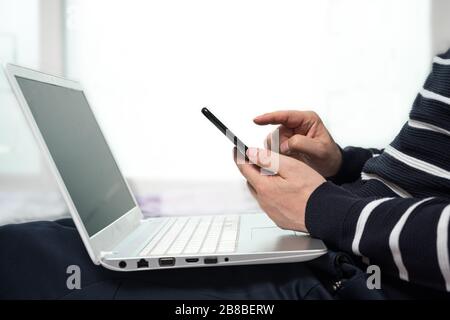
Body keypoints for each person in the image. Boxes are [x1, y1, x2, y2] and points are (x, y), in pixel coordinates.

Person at [1, 49, 450, 299]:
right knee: (48, 241)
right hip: (348, 248)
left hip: (360, 282)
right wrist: (340, 165)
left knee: (23, 260)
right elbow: (424, 178)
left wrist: (322, 208)